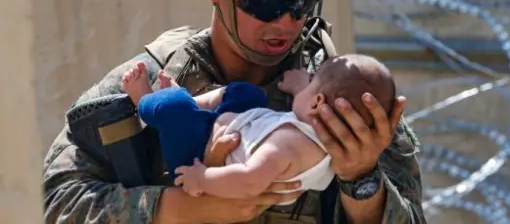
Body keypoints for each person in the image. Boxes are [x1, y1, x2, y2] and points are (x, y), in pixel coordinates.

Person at [42, 0, 426, 224]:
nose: (287, 23)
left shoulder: (346, 102)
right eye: (265, 5)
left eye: (302, 6)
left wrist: (360, 180)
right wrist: (179, 209)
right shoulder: (155, 80)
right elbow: (60, 200)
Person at [120, 53, 397, 205]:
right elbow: (309, 110)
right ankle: (190, 103)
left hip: (199, 156)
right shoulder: (326, 144)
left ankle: (144, 100)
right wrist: (302, 86)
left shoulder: (286, 147)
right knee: (247, 94)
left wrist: (203, 177)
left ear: (318, 101)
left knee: (172, 109)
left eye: (312, 83)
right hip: (240, 127)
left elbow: (250, 181)